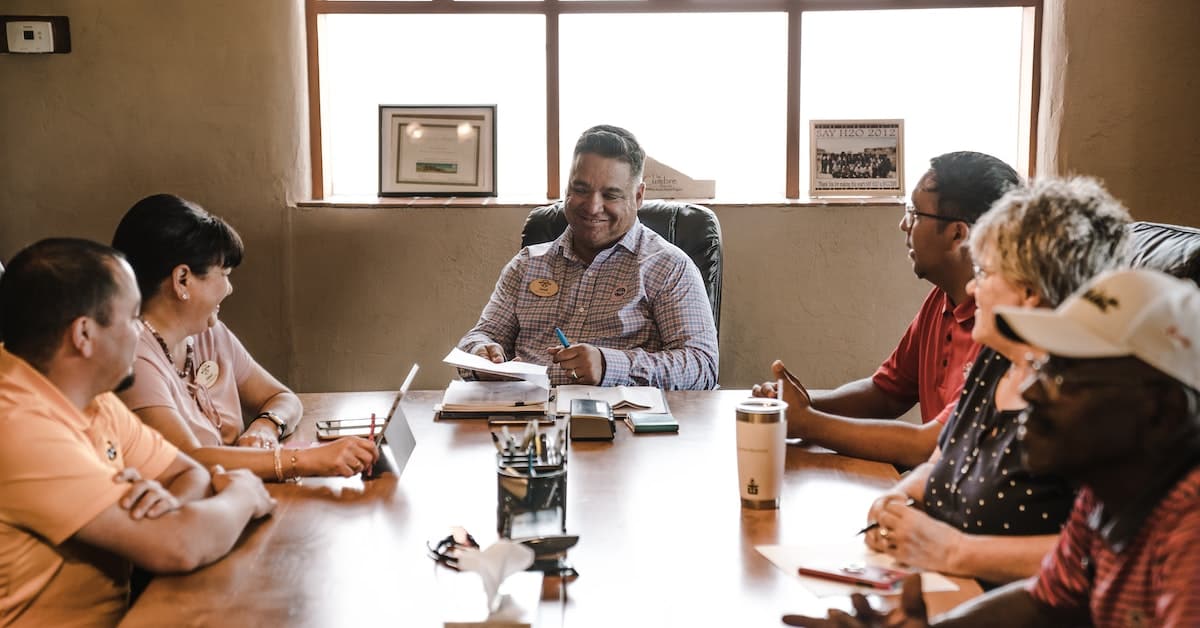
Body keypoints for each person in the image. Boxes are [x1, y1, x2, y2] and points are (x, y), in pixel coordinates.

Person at [785, 268, 1200, 628]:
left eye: (1067, 376)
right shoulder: (1106, 500)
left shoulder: (1189, 535)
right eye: (1043, 366)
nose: (1033, 391)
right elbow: (1043, 603)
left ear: (1161, 411)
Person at [862, 177, 1131, 587]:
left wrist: (953, 550)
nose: (972, 286)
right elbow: (941, 461)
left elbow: (1102, 553)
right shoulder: (995, 360)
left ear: (1030, 293)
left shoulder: (1087, 400)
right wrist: (899, 499)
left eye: (984, 272)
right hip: (940, 584)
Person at [0, 238, 275, 626]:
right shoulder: (19, 428)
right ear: (84, 335)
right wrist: (245, 494)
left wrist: (167, 503)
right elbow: (178, 546)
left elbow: (188, 472)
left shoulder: (88, 392)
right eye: (132, 318)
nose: (140, 331)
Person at [754, 152, 1021, 466]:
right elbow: (886, 394)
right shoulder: (941, 299)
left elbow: (930, 446)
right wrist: (797, 405)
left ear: (957, 234)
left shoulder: (1001, 323)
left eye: (915, 213)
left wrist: (809, 423)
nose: (903, 225)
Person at [112, 194, 377, 481]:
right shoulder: (133, 358)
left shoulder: (207, 333)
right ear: (182, 280)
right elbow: (188, 459)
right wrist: (304, 459)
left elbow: (283, 397)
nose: (229, 289)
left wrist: (265, 426)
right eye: (224, 274)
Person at [457, 125, 719, 390]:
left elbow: (702, 367)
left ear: (638, 196)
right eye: (581, 190)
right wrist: (480, 353)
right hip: (527, 421)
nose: (593, 207)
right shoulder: (526, 265)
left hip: (621, 421)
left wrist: (609, 365)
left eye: (610, 195)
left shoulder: (669, 267)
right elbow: (483, 335)